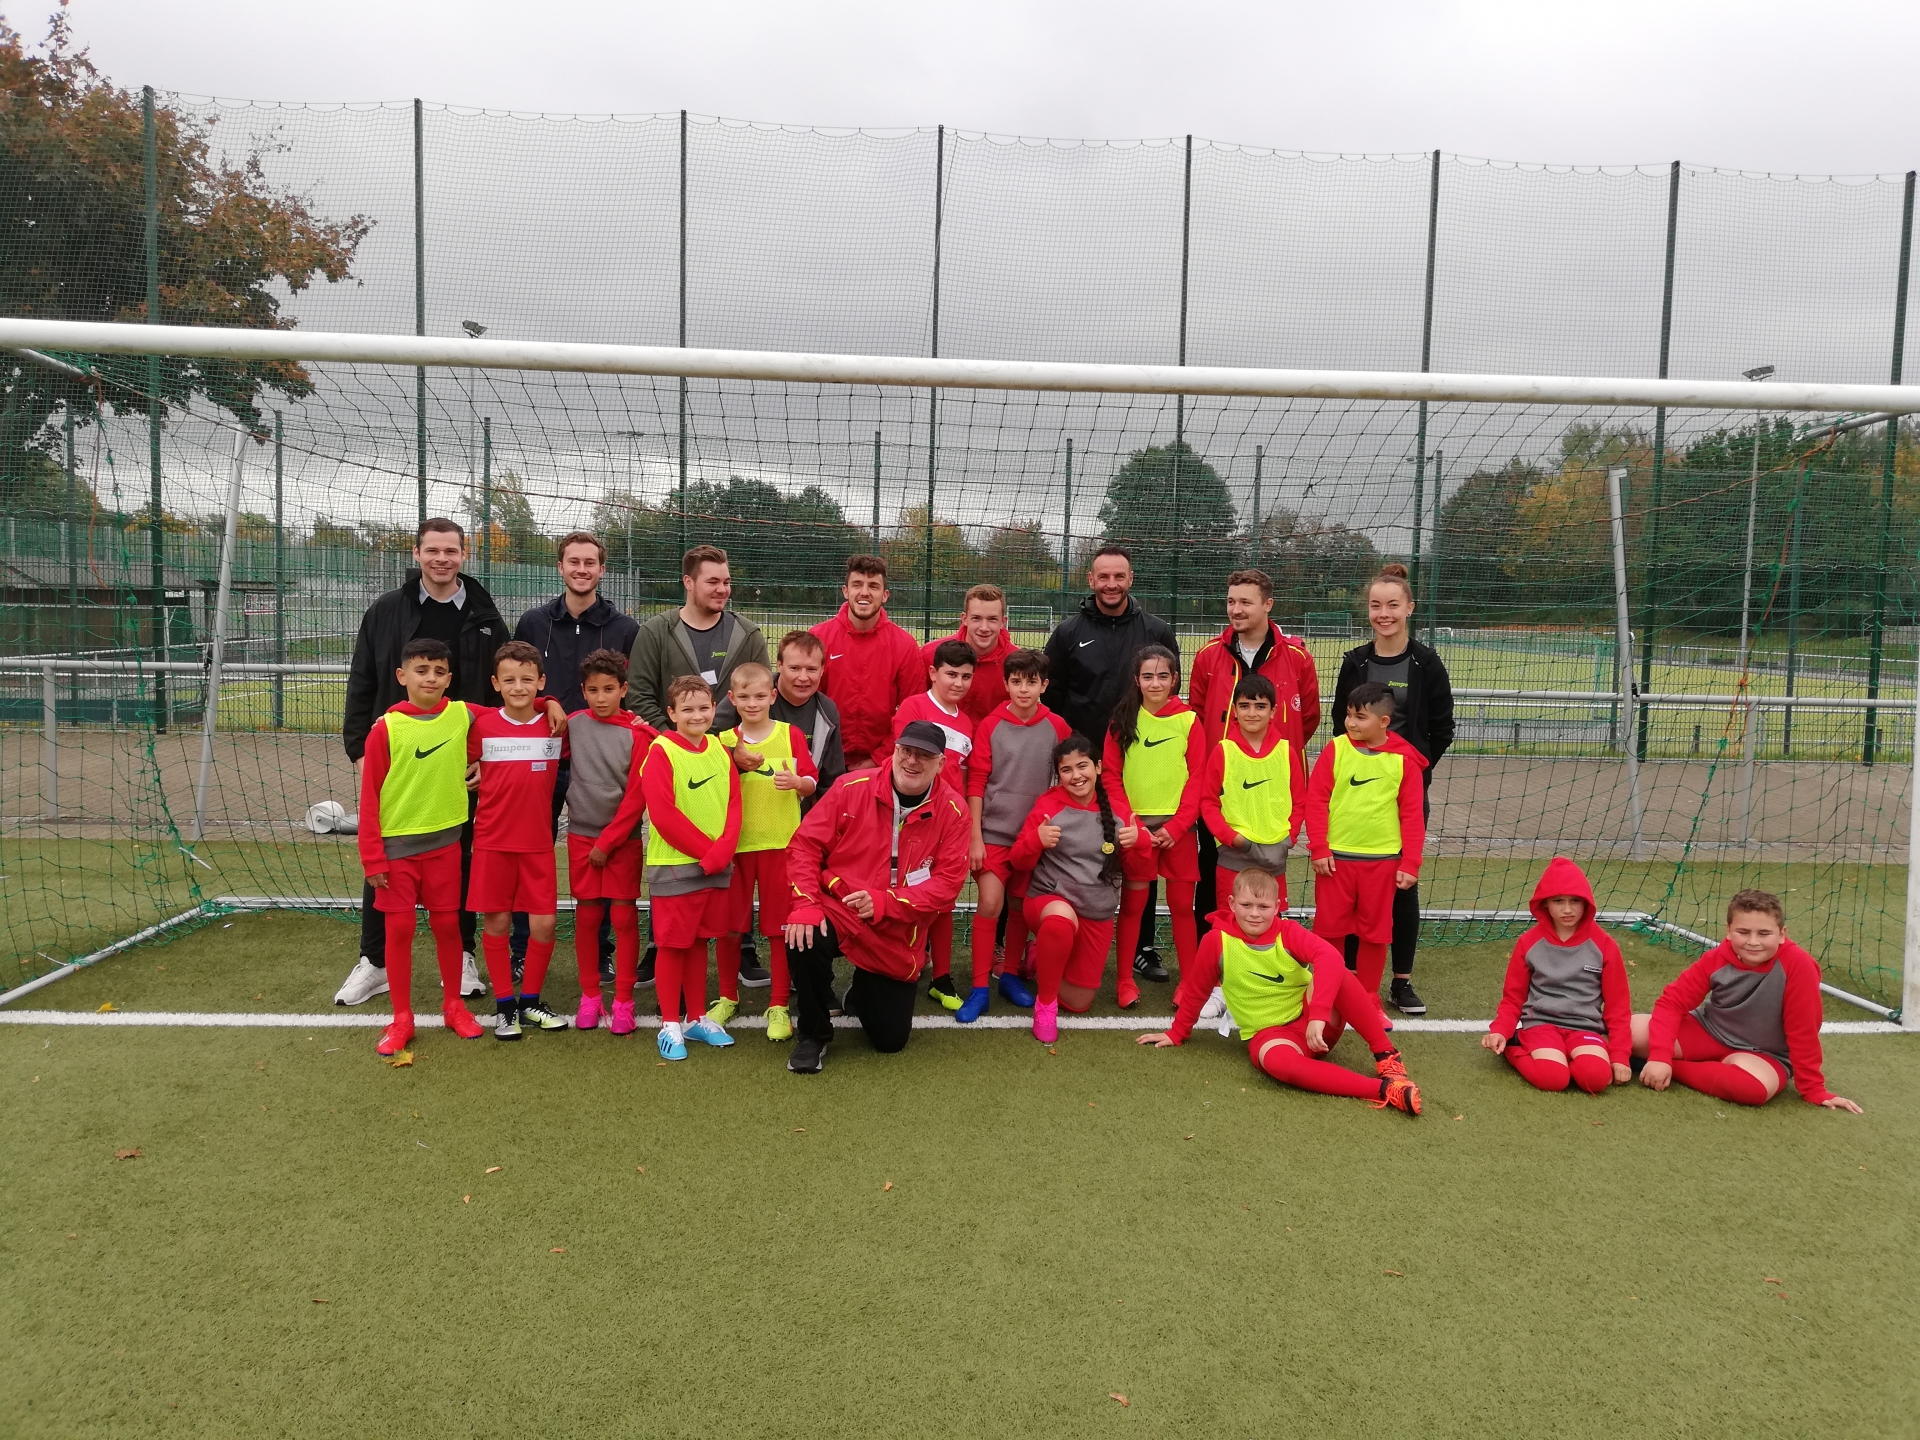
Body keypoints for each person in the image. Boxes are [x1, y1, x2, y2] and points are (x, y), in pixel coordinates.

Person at [335, 518, 547, 1008]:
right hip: (399, 758)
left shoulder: (484, 614)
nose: (441, 559)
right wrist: (359, 747)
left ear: (463, 555)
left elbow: (505, 687)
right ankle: (374, 961)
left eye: (451, 551)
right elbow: (362, 678)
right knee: (386, 858)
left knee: (462, 856)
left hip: (461, 763)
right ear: (417, 554)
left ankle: (465, 953)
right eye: (432, 550)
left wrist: (488, 752)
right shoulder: (386, 610)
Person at [1136, 869, 1422, 1116]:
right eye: (1246, 905)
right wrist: (1177, 1033)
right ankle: (1386, 1090)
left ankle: (1387, 1057)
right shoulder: (1216, 941)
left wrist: (1318, 1015)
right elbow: (1197, 991)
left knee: (1340, 972)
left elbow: (1329, 957)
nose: (1254, 913)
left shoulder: (1288, 932)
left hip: (1316, 1025)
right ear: (1232, 904)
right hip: (1271, 1036)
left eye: (1263, 906)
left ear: (1276, 907)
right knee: (1277, 1064)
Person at [782, 720, 971, 1072]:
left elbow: (946, 887)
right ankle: (813, 1034)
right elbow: (804, 846)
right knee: (804, 935)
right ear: (894, 750)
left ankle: (862, 991)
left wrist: (885, 903)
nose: (911, 761)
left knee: (889, 1041)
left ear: (941, 764)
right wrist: (806, 903)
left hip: (897, 925)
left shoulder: (954, 811)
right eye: (906, 751)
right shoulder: (850, 787)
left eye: (924, 755)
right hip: (840, 906)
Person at [629, 544, 768, 987]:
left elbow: (758, 699)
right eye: (713, 581)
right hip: (674, 763)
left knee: (731, 852)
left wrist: (723, 749)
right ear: (688, 582)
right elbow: (640, 695)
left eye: (727, 581)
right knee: (674, 849)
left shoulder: (748, 634)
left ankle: (741, 946)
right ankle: (660, 943)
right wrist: (679, 744)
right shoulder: (656, 631)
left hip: (731, 763)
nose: (723, 589)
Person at [1042, 545, 1179, 987]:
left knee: (1140, 852)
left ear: (1131, 579)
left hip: (1141, 766)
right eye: (1103, 576)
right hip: (1083, 768)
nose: (1111, 584)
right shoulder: (1068, 633)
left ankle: (1142, 947)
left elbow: (1170, 697)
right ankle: (1071, 932)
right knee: (1079, 850)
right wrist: (1072, 757)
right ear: (1091, 580)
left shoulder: (1156, 630)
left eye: (1119, 576)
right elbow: (1052, 697)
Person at [509, 530, 639, 978]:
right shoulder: (533, 622)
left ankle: (601, 950)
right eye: (573, 561)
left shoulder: (624, 628)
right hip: (540, 756)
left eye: (590, 562)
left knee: (603, 854)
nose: (581, 569)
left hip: (599, 763)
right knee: (531, 852)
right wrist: (547, 702)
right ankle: (522, 947)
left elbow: (633, 692)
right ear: (560, 566)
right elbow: (517, 682)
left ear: (602, 569)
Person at [1330, 562, 1454, 1017]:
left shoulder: (1426, 663)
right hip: (1355, 792)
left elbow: (1442, 728)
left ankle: (1401, 981)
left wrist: (1411, 772)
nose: (1384, 614)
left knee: (1403, 883)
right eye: (1376, 605)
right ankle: (1345, 976)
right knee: (1349, 883)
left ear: (1409, 609)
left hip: (1403, 791)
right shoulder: (1354, 662)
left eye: (1392, 605)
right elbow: (1340, 723)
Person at [355, 638, 483, 1056]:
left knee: (448, 927)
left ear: (449, 678)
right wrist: (372, 857)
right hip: (396, 852)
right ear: (402, 676)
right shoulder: (386, 729)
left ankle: (453, 1007)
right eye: (422, 670)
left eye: (439, 671)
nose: (431, 678)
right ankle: (402, 1018)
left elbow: (509, 714)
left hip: (446, 847)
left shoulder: (461, 714)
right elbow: (369, 799)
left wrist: (547, 701)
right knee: (400, 930)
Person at [1634, 890, 1862, 1112]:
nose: (1753, 942)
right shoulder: (1716, 957)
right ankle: (1676, 1065)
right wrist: (1660, 1055)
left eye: (1764, 934)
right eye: (1743, 932)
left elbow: (1803, 1030)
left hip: (1763, 1054)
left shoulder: (1799, 966)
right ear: (1729, 931)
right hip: (1710, 1032)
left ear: (1782, 934)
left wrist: (1814, 1090)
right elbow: (1672, 1002)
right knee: (1628, 1031)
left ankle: (1661, 1066)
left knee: (1752, 1090)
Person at [1185, 567, 1321, 931]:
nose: (1236, 609)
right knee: (1212, 871)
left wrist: (1270, 761)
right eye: (1231, 601)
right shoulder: (1208, 655)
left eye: (1245, 602)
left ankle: (1265, 950)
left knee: (1267, 882)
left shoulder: (1298, 657)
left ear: (1268, 604)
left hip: (1271, 796)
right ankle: (1211, 950)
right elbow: (1198, 718)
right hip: (1222, 792)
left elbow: (1308, 718)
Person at [464, 641, 569, 1041]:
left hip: (538, 843)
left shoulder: (556, 725)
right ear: (496, 683)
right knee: (498, 921)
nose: (518, 687)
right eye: (509, 680)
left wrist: (550, 702)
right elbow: (445, 715)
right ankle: (505, 1007)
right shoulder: (482, 725)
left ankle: (531, 1002)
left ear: (541, 681)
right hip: (492, 841)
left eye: (527, 679)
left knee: (545, 924)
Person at [959, 648, 1070, 1023]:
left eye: (1031, 682)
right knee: (991, 903)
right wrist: (975, 836)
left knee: (1021, 905)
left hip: (1033, 838)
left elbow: (1069, 776)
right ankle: (979, 988)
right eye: (1016, 682)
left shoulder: (1057, 726)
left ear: (1044, 686)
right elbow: (976, 782)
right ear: (1006, 684)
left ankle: (1009, 975)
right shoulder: (990, 725)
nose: (1024, 689)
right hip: (993, 833)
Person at [1304, 682, 1426, 1020]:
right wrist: (1319, 847)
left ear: (1384, 722)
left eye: (1360, 717)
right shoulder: (1336, 749)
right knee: (1329, 930)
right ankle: (1327, 993)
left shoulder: (1404, 760)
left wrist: (1410, 862)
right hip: (1336, 860)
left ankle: (1368, 998)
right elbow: (1316, 800)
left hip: (1382, 862)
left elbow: (1412, 815)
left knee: (1375, 934)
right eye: (1348, 715)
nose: (1351, 723)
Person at [1009, 733, 1140, 1042]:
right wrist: (1035, 841)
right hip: (1050, 902)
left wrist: (1139, 843)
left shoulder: (1118, 810)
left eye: (1082, 766)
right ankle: (1045, 1006)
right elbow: (1018, 860)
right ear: (1059, 775)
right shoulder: (1048, 805)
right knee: (1059, 921)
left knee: (1079, 1003)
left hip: (1095, 911)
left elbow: (1136, 868)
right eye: (1066, 770)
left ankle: (1037, 957)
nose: (1076, 776)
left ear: (1097, 767)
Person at [639, 675, 743, 1062]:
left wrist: (724, 850)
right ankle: (670, 1024)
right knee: (672, 945)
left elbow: (734, 803)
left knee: (700, 941)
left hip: (715, 866)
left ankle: (696, 1017)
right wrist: (710, 853)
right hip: (676, 867)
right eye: (687, 709)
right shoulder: (661, 751)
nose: (697, 715)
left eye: (703, 708)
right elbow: (663, 815)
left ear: (714, 709)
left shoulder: (720, 749)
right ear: (671, 713)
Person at [714, 662, 819, 1043]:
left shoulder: (791, 735)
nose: (753, 703)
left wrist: (798, 782)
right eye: (744, 697)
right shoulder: (723, 741)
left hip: (781, 846)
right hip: (736, 848)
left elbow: (812, 781)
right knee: (729, 927)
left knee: (778, 929)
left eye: (760, 696)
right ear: (732, 699)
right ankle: (727, 997)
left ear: (773, 696)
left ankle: (778, 1004)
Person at [874, 638, 976, 1010]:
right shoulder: (915, 707)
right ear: (933, 673)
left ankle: (942, 978)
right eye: (951, 674)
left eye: (966, 676)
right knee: (903, 891)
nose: (958, 683)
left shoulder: (966, 722)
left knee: (943, 899)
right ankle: (899, 963)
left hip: (946, 824)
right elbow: (903, 761)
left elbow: (961, 776)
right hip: (908, 817)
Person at [1103, 645, 1204, 1009]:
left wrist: (1177, 827)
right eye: (1148, 676)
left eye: (1163, 676)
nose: (1155, 683)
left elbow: (1198, 779)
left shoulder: (1189, 721)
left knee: (1182, 907)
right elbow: (1110, 776)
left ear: (1175, 679)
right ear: (1137, 679)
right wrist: (1132, 823)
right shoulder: (1122, 720)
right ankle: (1125, 981)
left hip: (1179, 832)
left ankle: (1189, 983)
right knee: (1132, 906)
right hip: (1137, 833)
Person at [562, 649, 654, 1033]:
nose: (601, 698)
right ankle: (590, 998)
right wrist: (547, 701)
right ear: (583, 691)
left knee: (623, 916)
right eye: (593, 690)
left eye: (609, 689)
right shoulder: (571, 725)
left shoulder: (639, 734)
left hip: (622, 841)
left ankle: (624, 1001)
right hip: (581, 836)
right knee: (586, 916)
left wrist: (609, 842)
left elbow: (637, 797)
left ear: (624, 690)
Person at [1482, 857, 1631, 1094]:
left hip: (1585, 1028)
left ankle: (1568, 1057)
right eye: (1558, 901)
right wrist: (1501, 1029)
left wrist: (1620, 1055)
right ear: (1545, 904)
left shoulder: (1605, 945)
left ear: (1586, 903)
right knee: (1553, 1078)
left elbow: (1618, 1006)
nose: (1568, 909)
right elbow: (1513, 997)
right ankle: (1514, 1046)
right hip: (1541, 1025)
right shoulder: (1529, 942)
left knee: (1596, 1078)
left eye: (1575, 901)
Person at [1199, 673, 1305, 910]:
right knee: (1231, 919)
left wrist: (1290, 837)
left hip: (1274, 854)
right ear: (1234, 710)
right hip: (1234, 855)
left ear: (1273, 711)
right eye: (1245, 706)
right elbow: (1208, 802)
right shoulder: (1223, 751)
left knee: (1269, 920)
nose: (1252, 713)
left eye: (1260, 706)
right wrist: (1231, 837)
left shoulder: (1286, 752)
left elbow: (1300, 800)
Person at [811, 554, 926, 769]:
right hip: (823, 759)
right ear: (845, 591)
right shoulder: (818, 638)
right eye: (857, 584)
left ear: (885, 595)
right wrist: (822, 755)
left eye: (873, 586)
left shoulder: (904, 645)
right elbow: (803, 701)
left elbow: (913, 710)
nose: (864, 592)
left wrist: (878, 759)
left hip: (882, 764)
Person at [921, 582, 1016, 725]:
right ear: (964, 619)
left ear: (1003, 621)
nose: (984, 628)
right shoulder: (931, 654)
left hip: (993, 738)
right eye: (976, 618)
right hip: (941, 736)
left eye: (992, 619)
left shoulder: (1016, 661)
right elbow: (915, 704)